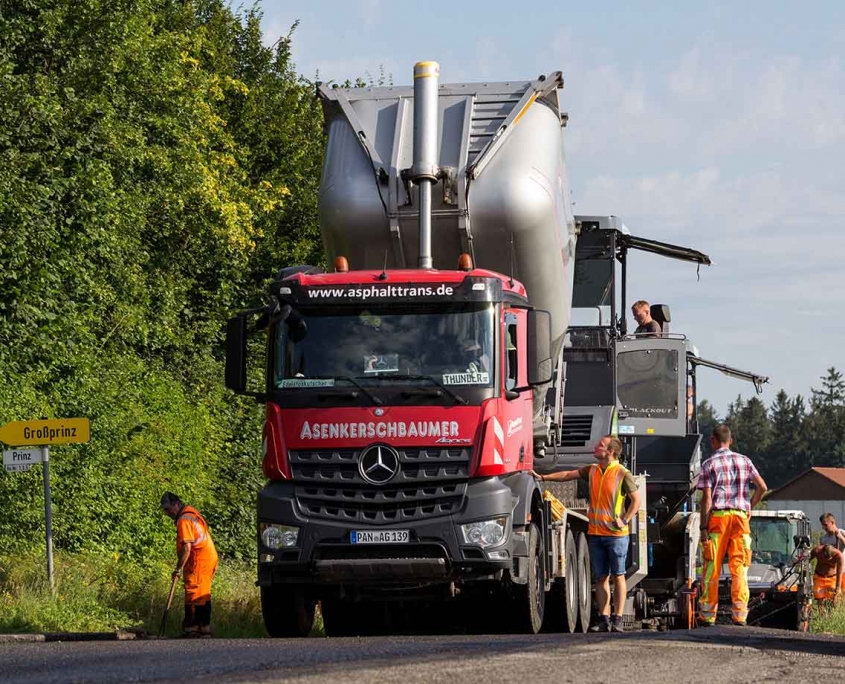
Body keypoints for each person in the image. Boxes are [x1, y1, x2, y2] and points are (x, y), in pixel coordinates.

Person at [531, 435, 641, 632]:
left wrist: (624, 520)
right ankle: (605, 619)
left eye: (601, 445)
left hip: (616, 535)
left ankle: (618, 618)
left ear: (611, 452)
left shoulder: (622, 474)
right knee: (601, 578)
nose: (596, 446)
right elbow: (568, 475)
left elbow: (636, 501)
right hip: (596, 533)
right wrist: (543, 477)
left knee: (618, 576)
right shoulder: (592, 470)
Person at [697, 425, 767, 626]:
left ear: (712, 440)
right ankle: (740, 615)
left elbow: (707, 499)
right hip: (740, 519)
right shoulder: (744, 461)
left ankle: (708, 616)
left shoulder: (709, 464)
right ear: (731, 440)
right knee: (740, 567)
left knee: (712, 567)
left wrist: (703, 528)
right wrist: (748, 507)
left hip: (718, 518)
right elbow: (762, 487)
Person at [161, 492, 219, 637]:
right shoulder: (190, 513)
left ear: (177, 504)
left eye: (168, 509)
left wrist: (177, 569)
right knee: (202, 593)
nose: (167, 512)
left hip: (199, 560)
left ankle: (194, 628)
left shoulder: (184, 520)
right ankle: (203, 627)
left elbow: (187, 548)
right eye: (165, 510)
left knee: (195, 592)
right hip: (206, 558)